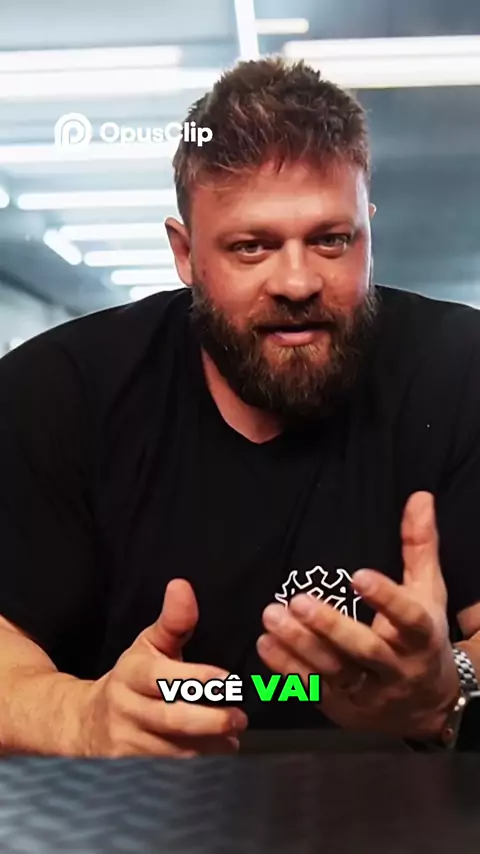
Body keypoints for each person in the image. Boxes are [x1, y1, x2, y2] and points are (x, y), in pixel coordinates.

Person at [0, 57, 480, 758]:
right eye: (252, 247)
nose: (297, 281)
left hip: (407, 804)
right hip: (139, 806)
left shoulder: (460, 372)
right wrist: (79, 716)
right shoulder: (57, 392)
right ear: (185, 252)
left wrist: (448, 684)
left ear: (368, 232)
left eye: (331, 239)